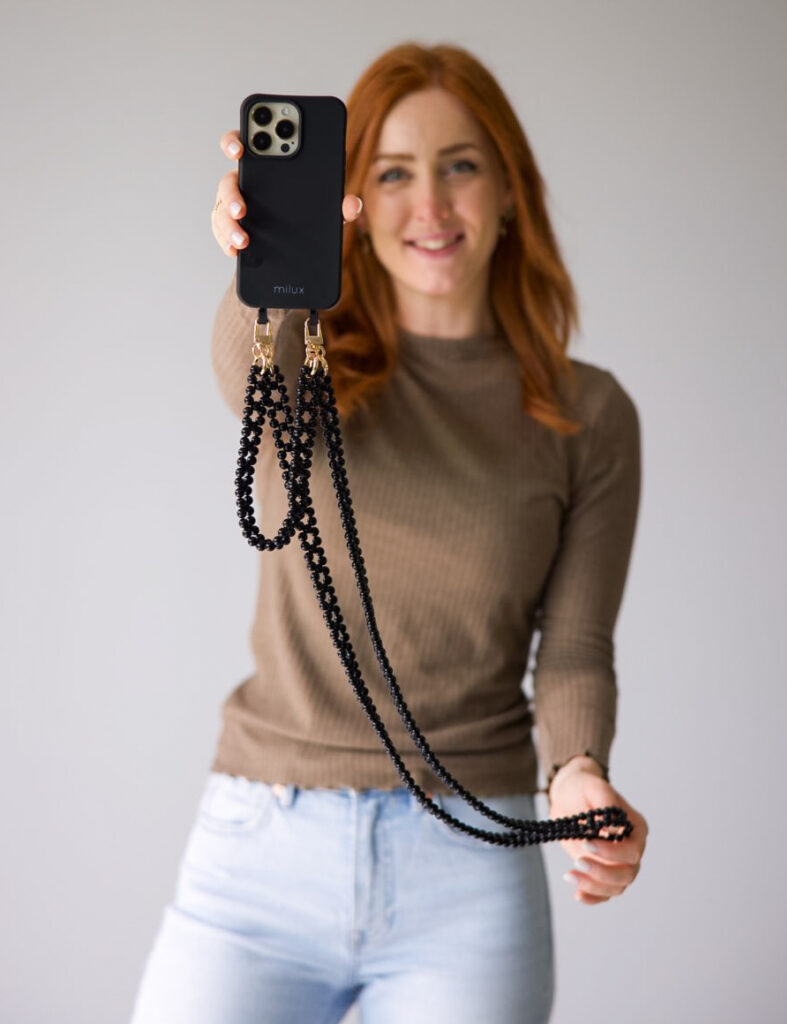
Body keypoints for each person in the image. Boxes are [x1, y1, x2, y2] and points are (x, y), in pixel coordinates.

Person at [130, 41, 648, 1024]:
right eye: (395, 173)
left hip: (468, 860)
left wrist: (580, 771)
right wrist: (262, 274)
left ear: (509, 189)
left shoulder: (589, 415)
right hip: (262, 846)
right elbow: (246, 379)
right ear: (354, 203)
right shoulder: (308, 358)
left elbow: (576, 644)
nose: (432, 204)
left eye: (461, 164)